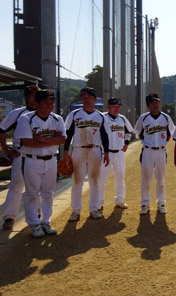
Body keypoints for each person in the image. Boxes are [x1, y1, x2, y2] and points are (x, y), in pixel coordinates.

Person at [15, 90, 66, 237]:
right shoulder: (26, 119)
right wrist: (52, 139)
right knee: (32, 193)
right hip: (32, 160)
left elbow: (62, 140)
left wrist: (42, 139)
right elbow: (27, 142)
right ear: (36, 104)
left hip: (51, 160)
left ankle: (45, 221)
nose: (49, 106)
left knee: (48, 193)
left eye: (51, 102)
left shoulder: (57, 119)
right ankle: (34, 224)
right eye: (45, 103)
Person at [64, 87, 110, 221]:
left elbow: (104, 135)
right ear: (81, 99)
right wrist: (66, 151)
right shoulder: (74, 114)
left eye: (89, 97)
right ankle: (75, 210)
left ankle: (93, 209)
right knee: (77, 181)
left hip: (95, 149)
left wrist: (106, 152)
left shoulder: (100, 116)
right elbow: (68, 133)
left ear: (95, 100)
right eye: (84, 97)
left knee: (94, 180)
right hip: (78, 149)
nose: (86, 99)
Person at [0, 85, 39, 229]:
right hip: (21, 154)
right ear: (26, 97)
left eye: (37, 95)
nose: (35, 97)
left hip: (39, 155)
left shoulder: (44, 113)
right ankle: (9, 217)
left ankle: (37, 214)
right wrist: (6, 149)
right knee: (16, 186)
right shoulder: (18, 113)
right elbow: (1, 130)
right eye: (32, 95)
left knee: (37, 187)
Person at [134, 93, 175, 215]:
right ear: (148, 105)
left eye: (156, 101)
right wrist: (147, 141)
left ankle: (161, 202)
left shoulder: (166, 117)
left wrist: (164, 143)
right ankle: (144, 204)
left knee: (160, 179)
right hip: (147, 151)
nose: (155, 104)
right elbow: (139, 133)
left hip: (161, 151)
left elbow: (169, 133)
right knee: (146, 179)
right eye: (152, 102)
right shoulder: (143, 118)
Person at [97, 98, 133, 210]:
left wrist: (126, 142)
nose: (116, 108)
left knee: (120, 177)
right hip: (104, 153)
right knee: (101, 179)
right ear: (108, 106)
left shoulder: (122, 118)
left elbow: (128, 131)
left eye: (118, 106)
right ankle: (99, 202)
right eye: (114, 106)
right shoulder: (102, 117)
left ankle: (120, 200)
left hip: (119, 153)